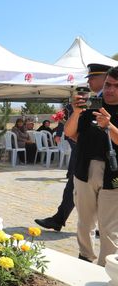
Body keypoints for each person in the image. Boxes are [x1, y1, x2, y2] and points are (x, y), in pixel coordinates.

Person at [35, 64, 111, 233]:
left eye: (93, 77)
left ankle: (102, 225)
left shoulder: (110, 101)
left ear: (106, 77)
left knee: (102, 193)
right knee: (74, 185)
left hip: (102, 158)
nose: (89, 80)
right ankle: (60, 219)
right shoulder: (89, 100)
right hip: (84, 152)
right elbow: (74, 130)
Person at [64, 66, 118, 266]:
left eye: (116, 86)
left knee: (109, 227)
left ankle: (107, 266)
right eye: (107, 85)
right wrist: (77, 112)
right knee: (85, 222)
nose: (110, 90)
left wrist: (109, 126)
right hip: (84, 170)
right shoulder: (91, 105)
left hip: (113, 174)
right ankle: (85, 258)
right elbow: (70, 133)